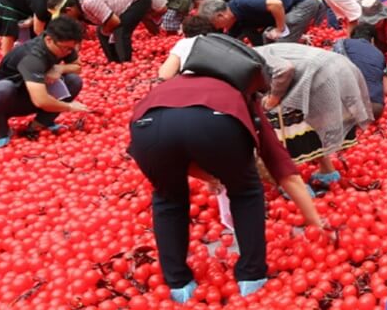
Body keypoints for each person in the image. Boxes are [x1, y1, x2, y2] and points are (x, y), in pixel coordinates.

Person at [130, 67, 320, 302]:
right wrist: (316, 223)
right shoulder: (239, 91)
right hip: (216, 126)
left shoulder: (171, 85)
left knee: (168, 200)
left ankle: (177, 283)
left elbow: (174, 136)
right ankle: (251, 276)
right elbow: (278, 161)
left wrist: (210, 175)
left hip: (146, 127)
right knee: (246, 192)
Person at [255, 43, 374, 189]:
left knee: (285, 125)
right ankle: (327, 170)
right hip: (339, 67)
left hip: (319, 75)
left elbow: (284, 69)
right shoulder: (261, 50)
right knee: (314, 121)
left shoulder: (253, 57)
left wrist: (273, 98)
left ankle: (296, 185)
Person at [0, 17, 90, 148]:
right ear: (48, 40)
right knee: (3, 88)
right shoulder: (33, 57)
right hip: (10, 99)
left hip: (36, 90)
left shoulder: (62, 45)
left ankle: (40, 123)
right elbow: (41, 101)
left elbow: (77, 67)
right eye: (65, 49)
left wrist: (60, 68)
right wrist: (69, 107)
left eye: (71, 49)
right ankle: (3, 131)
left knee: (74, 81)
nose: (68, 52)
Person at [198, 0, 319, 46]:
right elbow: (232, 38)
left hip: (301, 3)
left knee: (281, 43)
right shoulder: (237, 17)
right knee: (268, 41)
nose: (219, 28)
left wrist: (280, 28)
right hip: (288, 8)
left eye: (216, 24)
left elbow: (276, 4)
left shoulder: (243, 3)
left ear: (220, 16)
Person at [76, 0, 153, 63]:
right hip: (121, 4)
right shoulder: (77, 4)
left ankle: (125, 63)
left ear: (69, 9)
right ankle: (114, 62)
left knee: (120, 30)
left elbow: (115, 22)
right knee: (101, 31)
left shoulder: (89, 2)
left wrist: (105, 30)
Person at [0, 0, 71, 54]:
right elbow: (38, 30)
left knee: (45, 26)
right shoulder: (43, 4)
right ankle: (5, 57)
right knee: (9, 29)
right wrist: (52, 44)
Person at [333, 23, 387, 119]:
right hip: (375, 110)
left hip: (349, 106)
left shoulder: (342, 44)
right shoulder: (380, 54)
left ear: (351, 37)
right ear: (372, 40)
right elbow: (386, 89)